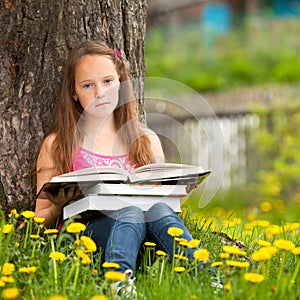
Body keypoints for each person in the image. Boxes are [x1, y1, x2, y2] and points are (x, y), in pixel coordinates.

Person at [35, 40, 218, 298]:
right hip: (86, 234)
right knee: (129, 211)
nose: (100, 92)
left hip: (141, 235)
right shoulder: (58, 144)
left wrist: (177, 189)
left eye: (108, 82)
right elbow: (38, 218)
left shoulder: (145, 139)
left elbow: (159, 203)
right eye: (88, 85)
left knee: (158, 209)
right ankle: (119, 284)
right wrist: (58, 203)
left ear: (120, 83)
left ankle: (208, 277)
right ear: (74, 92)